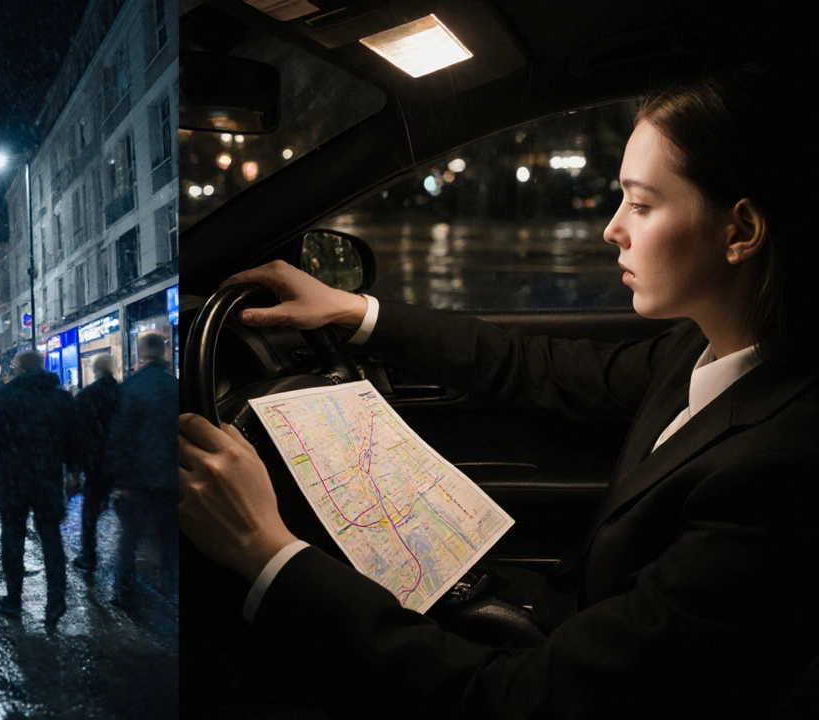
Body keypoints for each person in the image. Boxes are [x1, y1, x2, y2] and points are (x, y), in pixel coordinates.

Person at [178, 69, 819, 717]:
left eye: (642, 204)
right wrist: (352, 310)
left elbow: (526, 700)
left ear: (741, 232)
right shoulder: (699, 348)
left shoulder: (779, 471)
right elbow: (538, 366)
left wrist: (265, 549)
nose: (612, 229)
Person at [0, 351, 76, 624]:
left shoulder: (5, 396)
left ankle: (14, 598)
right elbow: (74, 438)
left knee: (13, 537)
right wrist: (72, 470)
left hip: (13, 478)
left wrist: (5, 447)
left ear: (19, 369)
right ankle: (56, 600)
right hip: (47, 477)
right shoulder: (60, 397)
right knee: (51, 538)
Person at [106, 334, 180, 606]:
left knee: (130, 537)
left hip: (136, 479)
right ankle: (172, 589)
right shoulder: (174, 387)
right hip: (169, 477)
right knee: (169, 537)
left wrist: (117, 479)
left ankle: (124, 591)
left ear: (140, 354)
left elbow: (118, 436)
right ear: (163, 353)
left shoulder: (130, 388)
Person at [71, 354, 120, 573]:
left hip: (94, 462)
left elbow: (76, 433)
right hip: (119, 461)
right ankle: (126, 564)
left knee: (90, 511)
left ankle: (88, 555)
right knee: (127, 514)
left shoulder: (86, 396)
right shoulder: (123, 394)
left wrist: (75, 467)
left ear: (94, 370)